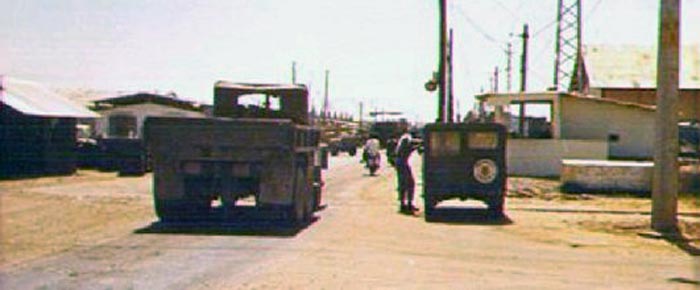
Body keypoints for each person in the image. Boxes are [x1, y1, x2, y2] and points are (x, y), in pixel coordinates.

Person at [394, 131, 417, 213]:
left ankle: (405, 204)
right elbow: (408, 146)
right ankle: (406, 204)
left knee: (404, 183)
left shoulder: (404, 138)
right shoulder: (406, 139)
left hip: (401, 162)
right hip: (402, 162)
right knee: (409, 183)